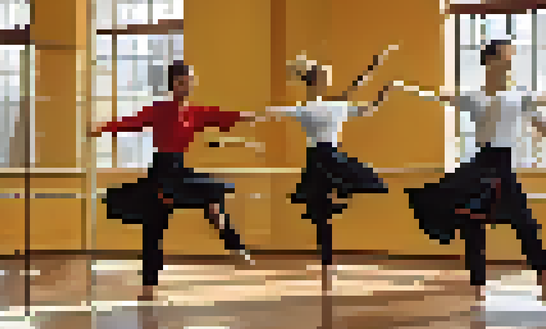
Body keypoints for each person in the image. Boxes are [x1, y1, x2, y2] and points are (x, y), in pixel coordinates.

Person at [393, 39, 546, 305]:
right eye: (507, 55)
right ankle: (478, 288)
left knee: (526, 225)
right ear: (491, 61)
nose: (511, 60)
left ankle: (545, 284)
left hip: (503, 169)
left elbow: (544, 125)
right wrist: (403, 86)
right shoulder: (474, 97)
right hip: (480, 167)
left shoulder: (519, 95)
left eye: (511, 56)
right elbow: (436, 95)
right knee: (473, 225)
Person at [90, 61, 257, 300]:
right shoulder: (159, 110)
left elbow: (219, 116)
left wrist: (243, 117)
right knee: (153, 227)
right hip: (162, 172)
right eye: (181, 82)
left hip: (180, 170)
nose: (186, 86)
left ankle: (235, 246)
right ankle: (148, 287)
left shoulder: (195, 112)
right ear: (173, 84)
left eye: (189, 81)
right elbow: (132, 122)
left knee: (213, 196)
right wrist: (103, 128)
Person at [263, 45, 397, 291]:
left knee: (330, 206)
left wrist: (383, 89)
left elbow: (366, 106)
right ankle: (327, 260)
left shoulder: (324, 107)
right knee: (324, 210)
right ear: (317, 81)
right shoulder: (318, 107)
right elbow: (366, 104)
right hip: (323, 159)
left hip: (321, 160)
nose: (328, 81)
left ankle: (330, 242)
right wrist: (383, 88)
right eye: (325, 77)